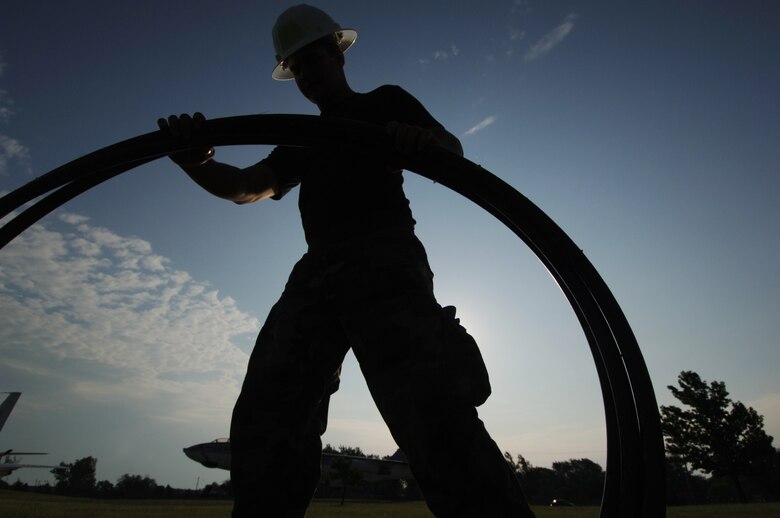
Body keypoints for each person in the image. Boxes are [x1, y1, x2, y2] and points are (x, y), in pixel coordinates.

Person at [159, 5, 535, 517]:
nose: (307, 77)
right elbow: (246, 186)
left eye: (313, 61)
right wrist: (195, 162)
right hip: (317, 272)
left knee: (430, 411)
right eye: (297, 70)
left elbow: (451, 152)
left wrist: (421, 142)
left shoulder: (384, 102)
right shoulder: (302, 138)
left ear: (337, 53)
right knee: (267, 417)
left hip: (385, 260)